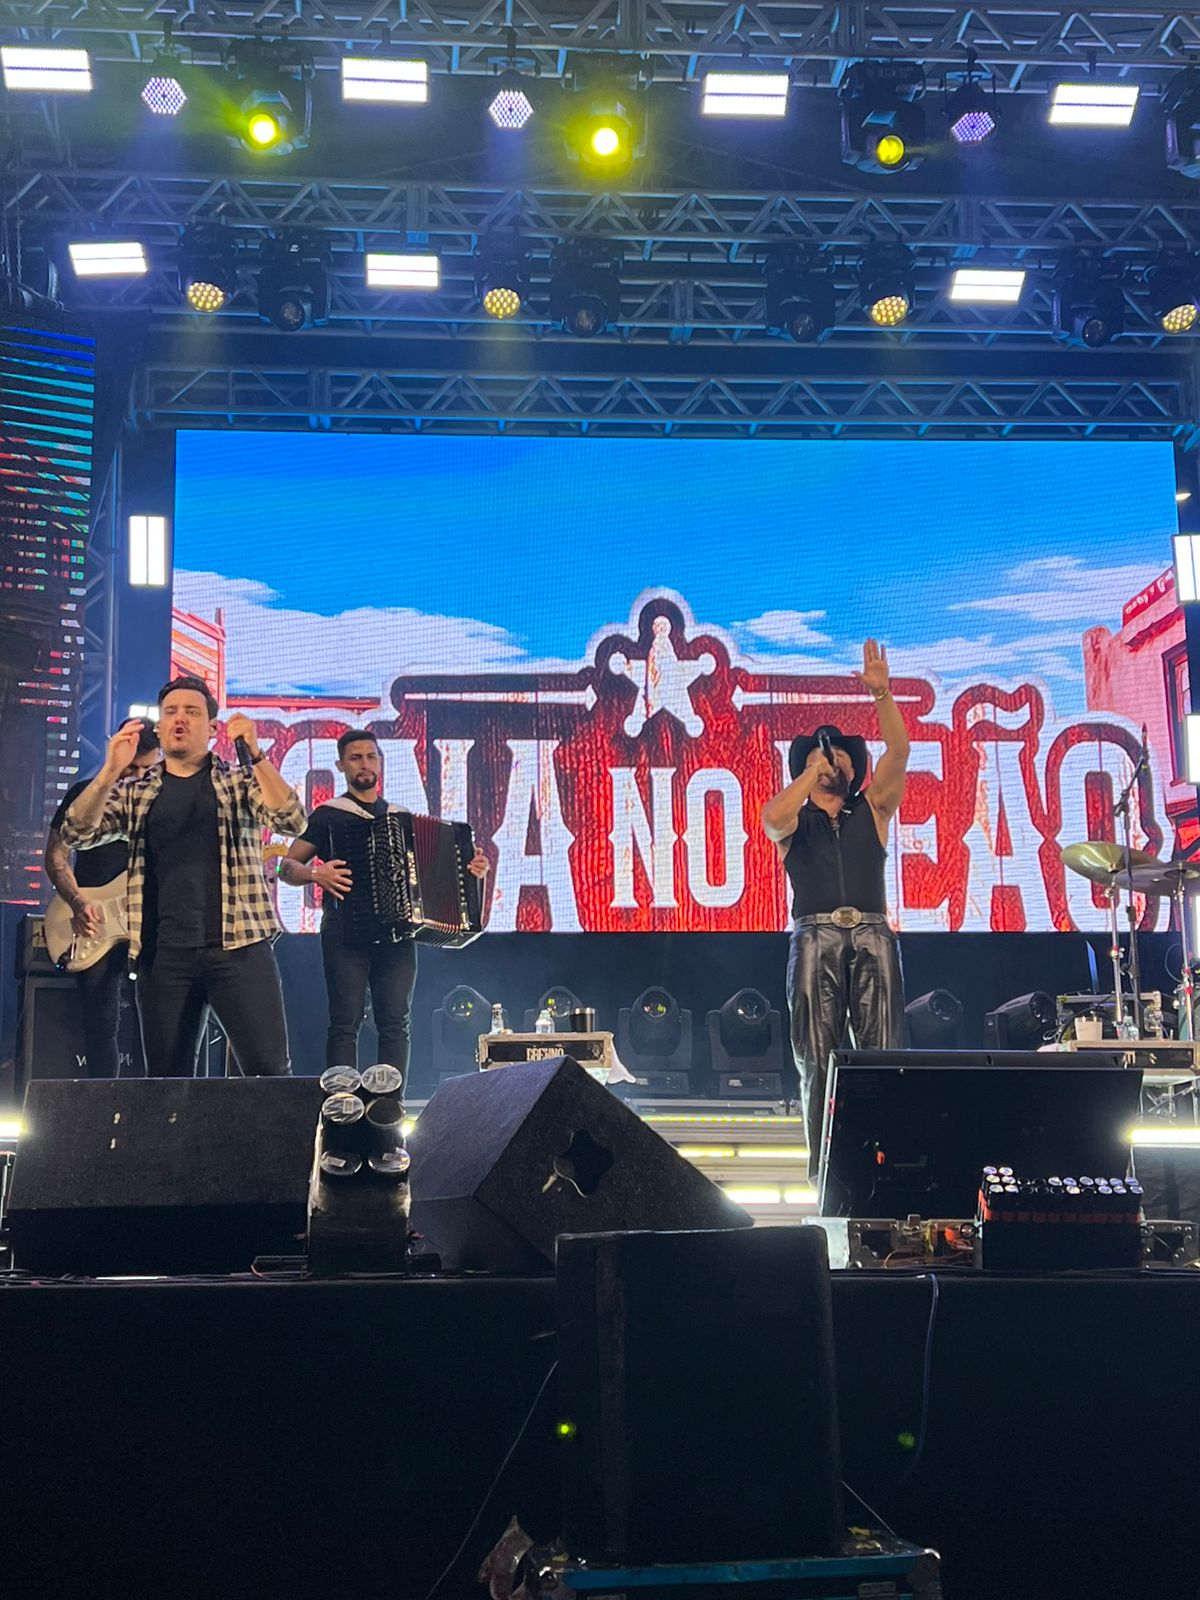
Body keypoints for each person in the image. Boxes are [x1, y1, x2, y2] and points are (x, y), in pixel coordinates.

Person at [60, 676, 307, 1077]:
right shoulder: (137, 791)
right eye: (171, 712)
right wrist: (109, 770)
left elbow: (292, 820)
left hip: (240, 948)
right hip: (163, 956)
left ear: (212, 728)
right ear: (159, 727)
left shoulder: (238, 782)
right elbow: (76, 833)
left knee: (268, 1071)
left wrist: (257, 755)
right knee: (167, 1081)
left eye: (192, 712)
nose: (180, 719)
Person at [761, 640, 911, 1177]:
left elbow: (899, 753)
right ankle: (826, 1175)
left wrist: (882, 695)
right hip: (814, 935)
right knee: (816, 1060)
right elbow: (771, 818)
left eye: (842, 754)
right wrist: (811, 770)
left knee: (882, 1056)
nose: (834, 759)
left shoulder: (873, 808)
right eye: (825, 755)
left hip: (873, 932)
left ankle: (884, 1168)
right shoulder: (794, 819)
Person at [280, 728, 489, 1085]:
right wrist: (315, 873)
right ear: (341, 766)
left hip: (397, 935)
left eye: (370, 756)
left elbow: (441, 873)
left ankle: (389, 1104)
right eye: (355, 758)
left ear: (380, 762)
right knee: (344, 1021)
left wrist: (471, 870)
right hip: (344, 932)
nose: (364, 764)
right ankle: (341, 1101)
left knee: (395, 1022)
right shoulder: (328, 815)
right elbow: (285, 867)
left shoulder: (401, 817)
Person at [43, 717, 161, 1078]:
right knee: (100, 1022)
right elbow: (56, 857)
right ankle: (102, 1103)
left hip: (148, 921)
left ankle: (152, 1105)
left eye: (146, 768)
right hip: (93, 921)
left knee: (154, 1024)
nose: (136, 776)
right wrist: (78, 903)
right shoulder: (85, 794)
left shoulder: (163, 801)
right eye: (131, 767)